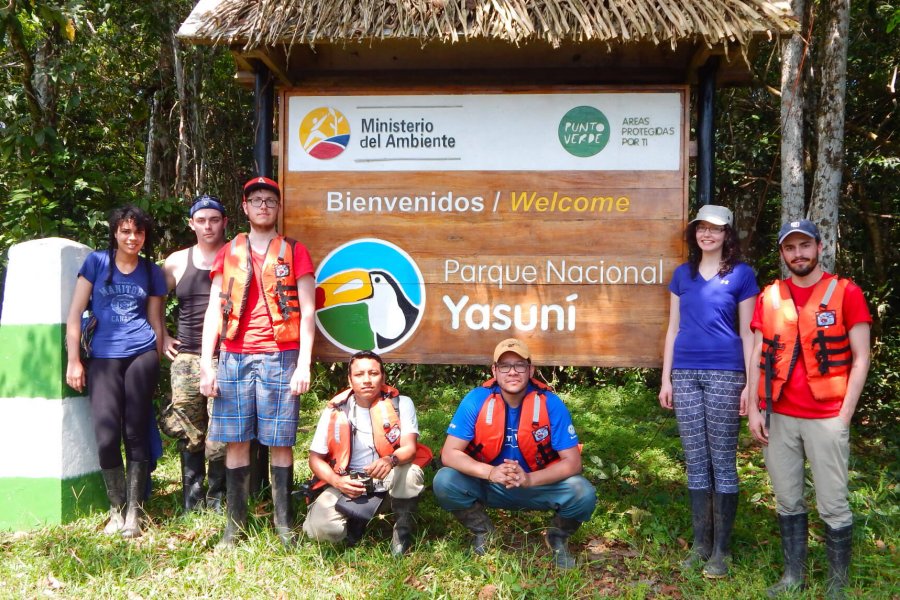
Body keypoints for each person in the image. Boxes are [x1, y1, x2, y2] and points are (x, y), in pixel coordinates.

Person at [747, 219, 871, 599]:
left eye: (804, 246)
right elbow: (756, 354)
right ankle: (793, 577)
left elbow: (862, 356)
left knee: (833, 502)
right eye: (790, 247)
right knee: (787, 498)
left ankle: (836, 584)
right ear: (783, 253)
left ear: (819, 247)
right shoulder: (770, 295)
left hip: (827, 416)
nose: (798, 254)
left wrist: (845, 414)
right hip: (779, 415)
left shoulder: (845, 292)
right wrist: (754, 407)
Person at [199, 176, 316, 547]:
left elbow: (309, 313)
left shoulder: (295, 250)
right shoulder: (228, 252)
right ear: (246, 208)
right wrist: (207, 363)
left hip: (282, 356)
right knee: (235, 441)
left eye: (270, 200)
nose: (263, 205)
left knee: (280, 441)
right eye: (256, 200)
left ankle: (284, 525)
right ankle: (235, 526)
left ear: (277, 208)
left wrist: (304, 364)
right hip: (234, 356)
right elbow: (214, 312)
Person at [433, 338, 597, 569]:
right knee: (445, 480)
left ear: (531, 370)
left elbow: (573, 463)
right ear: (495, 371)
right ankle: (483, 532)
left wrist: (530, 479)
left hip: (536, 485)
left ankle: (557, 538)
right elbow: (449, 454)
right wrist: (491, 472)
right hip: (490, 484)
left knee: (583, 492)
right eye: (505, 366)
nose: (512, 372)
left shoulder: (550, 403)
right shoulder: (476, 399)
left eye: (519, 365)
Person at [658, 204, 759, 577]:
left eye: (715, 229)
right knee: (696, 460)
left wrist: (751, 383)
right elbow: (672, 329)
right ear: (695, 233)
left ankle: (722, 550)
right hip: (684, 373)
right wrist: (666, 378)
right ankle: (700, 544)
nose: (707, 234)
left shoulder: (742, 275)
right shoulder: (682, 275)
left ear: (727, 234)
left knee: (722, 460)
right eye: (702, 228)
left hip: (726, 373)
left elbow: (750, 332)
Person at [65, 205, 167, 539]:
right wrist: (74, 360)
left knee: (135, 430)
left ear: (144, 236)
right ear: (115, 232)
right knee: (107, 435)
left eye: (138, 232)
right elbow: (76, 313)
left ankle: (135, 512)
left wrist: (160, 347)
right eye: (125, 231)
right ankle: (116, 508)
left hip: (141, 354)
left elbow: (155, 319)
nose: (132, 237)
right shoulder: (97, 262)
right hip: (103, 357)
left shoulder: (151, 272)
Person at [302, 351, 432, 555]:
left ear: (383, 377)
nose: (367, 380)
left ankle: (402, 535)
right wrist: (337, 481)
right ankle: (355, 520)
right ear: (349, 379)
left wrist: (391, 460)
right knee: (320, 531)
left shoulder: (402, 403)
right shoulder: (335, 410)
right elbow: (315, 459)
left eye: (373, 373)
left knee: (410, 474)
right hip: (349, 481)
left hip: (388, 476)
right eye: (359, 374)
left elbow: (410, 448)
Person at [159, 195, 228, 514]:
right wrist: (162, 335)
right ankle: (192, 500)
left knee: (223, 431)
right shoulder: (176, 261)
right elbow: (154, 299)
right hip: (186, 356)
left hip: (227, 354)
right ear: (191, 224)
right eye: (201, 220)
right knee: (189, 427)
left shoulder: (236, 257)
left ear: (224, 222)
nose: (208, 226)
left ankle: (218, 499)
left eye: (214, 219)